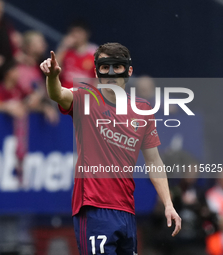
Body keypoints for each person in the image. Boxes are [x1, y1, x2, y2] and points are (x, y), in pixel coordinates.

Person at [40, 42, 181, 254]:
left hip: (126, 210)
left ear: (129, 70)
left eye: (118, 66)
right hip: (94, 208)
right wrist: (52, 77)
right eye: (105, 67)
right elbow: (58, 94)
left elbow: (154, 161)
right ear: (97, 71)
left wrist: (168, 204)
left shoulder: (142, 110)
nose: (111, 73)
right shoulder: (85, 98)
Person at [55, 20, 97, 89]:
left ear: (86, 34)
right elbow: (53, 70)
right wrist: (63, 46)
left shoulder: (94, 54)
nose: (76, 35)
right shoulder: (65, 51)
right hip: (64, 93)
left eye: (79, 32)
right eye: (73, 32)